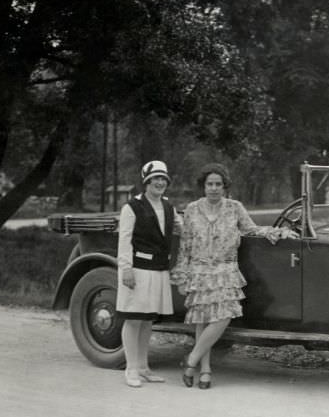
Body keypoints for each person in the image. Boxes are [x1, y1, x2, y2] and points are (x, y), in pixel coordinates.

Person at [171, 162, 294, 389]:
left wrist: (278, 232)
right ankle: (205, 370)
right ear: (203, 186)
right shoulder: (191, 209)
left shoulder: (235, 208)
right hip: (199, 272)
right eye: (210, 184)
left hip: (226, 271)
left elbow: (251, 230)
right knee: (202, 319)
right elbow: (185, 245)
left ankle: (190, 360)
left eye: (218, 184)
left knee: (223, 316)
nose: (214, 188)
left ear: (225, 186)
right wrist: (181, 276)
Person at [116, 160, 182, 387]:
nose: (160, 183)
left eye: (163, 179)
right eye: (155, 179)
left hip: (159, 269)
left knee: (147, 321)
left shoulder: (168, 207)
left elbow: (182, 228)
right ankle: (131, 369)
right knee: (134, 319)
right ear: (146, 182)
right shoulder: (131, 207)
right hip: (137, 269)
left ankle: (143, 367)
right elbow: (124, 241)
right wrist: (126, 269)